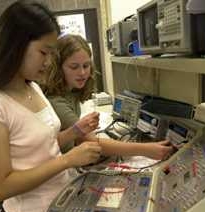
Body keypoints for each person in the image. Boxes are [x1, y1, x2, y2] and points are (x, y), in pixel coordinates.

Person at [0, 1, 101, 212]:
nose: (48, 62)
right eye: (44, 52)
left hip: (60, 204)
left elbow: (41, 144)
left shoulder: (33, 87)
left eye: (52, 54)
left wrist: (74, 131)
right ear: (15, 46)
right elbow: (1, 187)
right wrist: (67, 161)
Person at [44, 34, 174, 162]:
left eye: (86, 65)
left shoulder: (71, 92)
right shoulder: (56, 101)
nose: (82, 73)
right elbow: (90, 141)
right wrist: (146, 150)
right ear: (59, 68)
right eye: (74, 67)